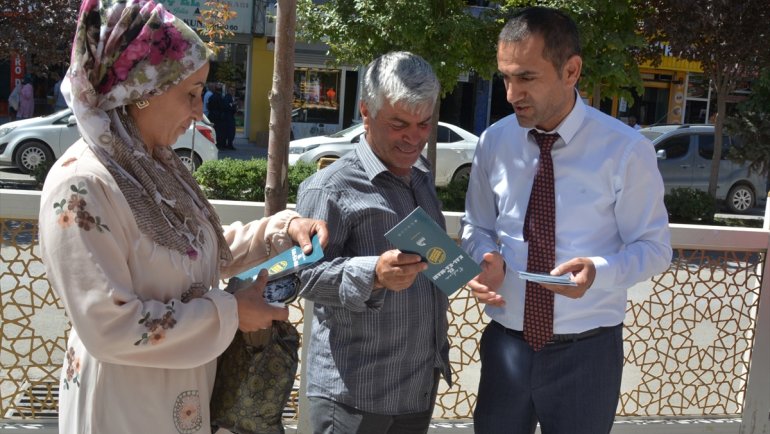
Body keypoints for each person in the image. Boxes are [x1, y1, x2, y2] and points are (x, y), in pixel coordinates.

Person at [38, 1, 328, 433]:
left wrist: (282, 229)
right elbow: (108, 325)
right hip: (122, 407)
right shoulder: (83, 185)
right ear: (140, 92)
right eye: (190, 94)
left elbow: (197, 250)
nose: (199, 113)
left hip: (180, 396)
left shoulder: (151, 168)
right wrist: (230, 314)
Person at [461, 7, 672, 434]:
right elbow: (475, 226)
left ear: (571, 70)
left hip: (587, 354)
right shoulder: (494, 142)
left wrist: (601, 271)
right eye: (505, 77)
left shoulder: (626, 151)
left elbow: (655, 249)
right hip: (506, 348)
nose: (511, 93)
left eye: (526, 77)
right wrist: (482, 254)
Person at [296, 51, 451, 434]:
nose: (414, 137)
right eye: (399, 123)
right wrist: (374, 274)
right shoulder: (329, 186)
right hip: (355, 396)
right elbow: (303, 276)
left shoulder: (422, 177)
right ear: (365, 112)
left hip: (416, 389)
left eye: (424, 123)